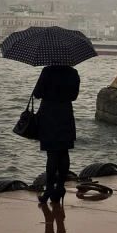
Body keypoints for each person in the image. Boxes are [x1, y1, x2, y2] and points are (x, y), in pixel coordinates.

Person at [33, 64, 79, 205]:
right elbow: (74, 96)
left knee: (52, 153)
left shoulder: (48, 71)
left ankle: (49, 189)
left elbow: (37, 93)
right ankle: (60, 187)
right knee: (64, 151)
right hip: (65, 114)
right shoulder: (73, 73)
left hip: (49, 114)